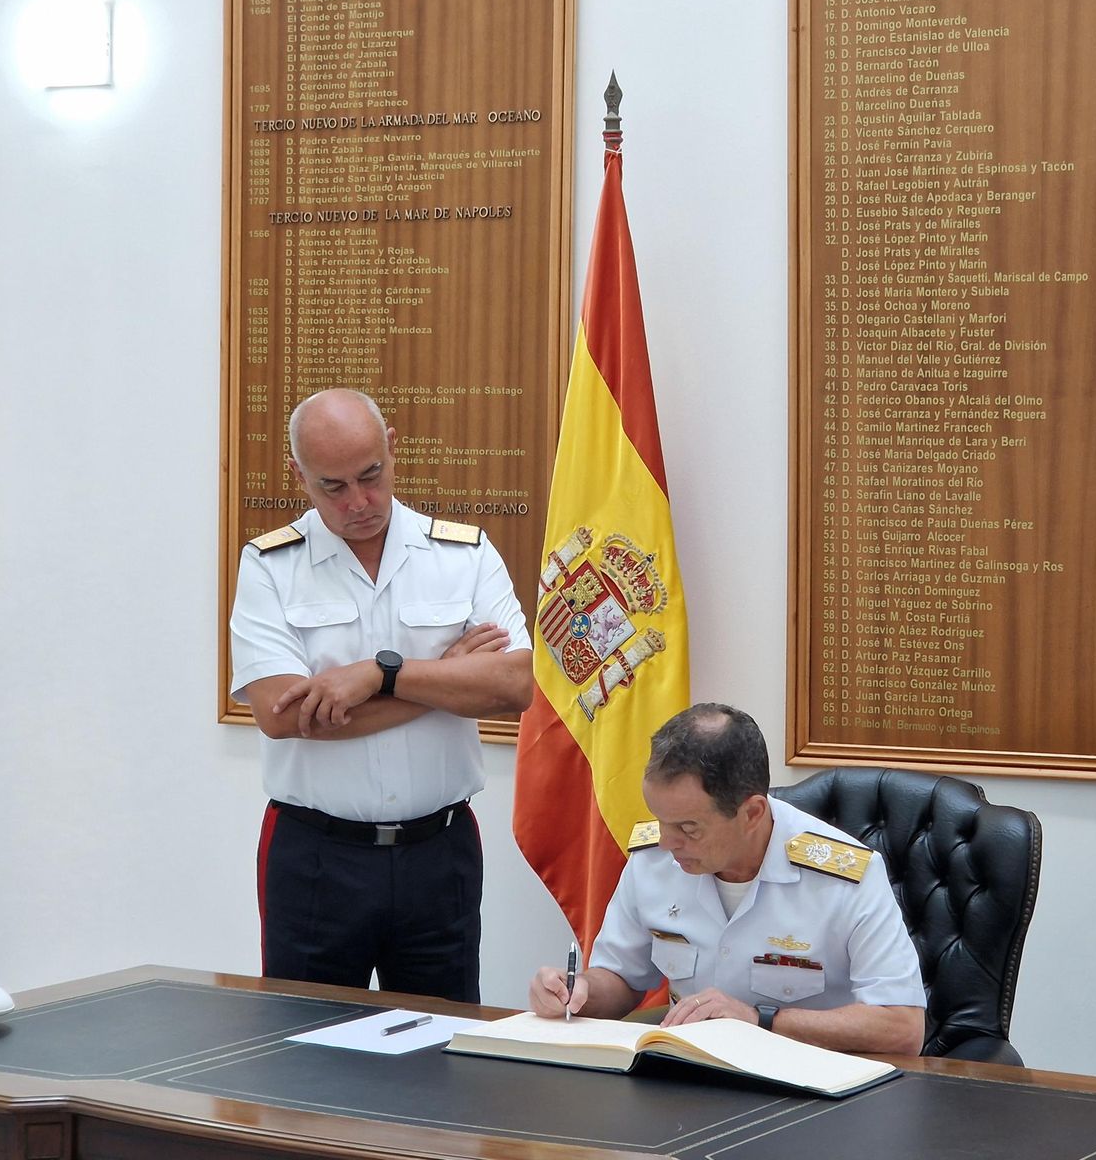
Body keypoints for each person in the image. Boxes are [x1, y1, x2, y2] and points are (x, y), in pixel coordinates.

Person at [229, 388, 532, 999]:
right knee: (304, 1044)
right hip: (317, 857)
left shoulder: (463, 554)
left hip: (438, 852)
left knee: (441, 1042)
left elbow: (513, 684)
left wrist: (379, 675)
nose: (359, 502)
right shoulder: (270, 566)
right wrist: (444, 678)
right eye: (333, 486)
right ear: (299, 477)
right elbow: (284, 715)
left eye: (371, 475)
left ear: (392, 447)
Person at [528, 704, 926, 1054]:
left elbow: (902, 1027)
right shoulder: (654, 859)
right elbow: (620, 977)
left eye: (688, 828)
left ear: (752, 813)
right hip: (689, 1078)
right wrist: (577, 992)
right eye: (661, 821)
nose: (666, 842)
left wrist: (758, 1019)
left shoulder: (842, 876)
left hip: (808, 1085)